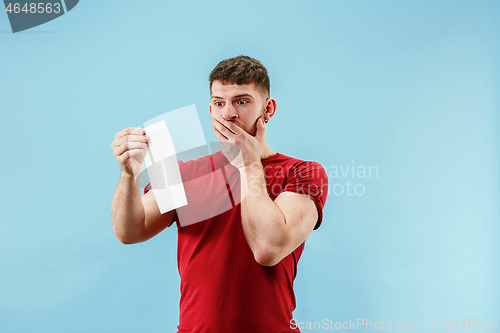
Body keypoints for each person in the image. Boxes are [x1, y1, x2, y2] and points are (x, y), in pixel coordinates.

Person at [110, 55, 329, 332]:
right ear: (210, 109)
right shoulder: (182, 172)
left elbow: (268, 248)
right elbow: (129, 232)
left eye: (242, 101)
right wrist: (129, 175)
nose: (228, 114)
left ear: (268, 109)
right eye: (219, 103)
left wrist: (248, 164)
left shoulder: (302, 172)